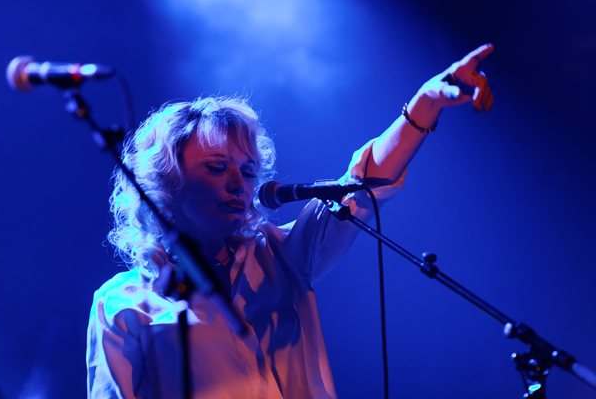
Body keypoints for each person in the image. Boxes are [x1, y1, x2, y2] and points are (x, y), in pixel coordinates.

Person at [87, 45, 495, 399]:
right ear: (165, 182)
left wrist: (426, 103)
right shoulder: (122, 304)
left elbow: (361, 185)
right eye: (216, 167)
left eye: (248, 172)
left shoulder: (280, 256)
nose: (238, 184)